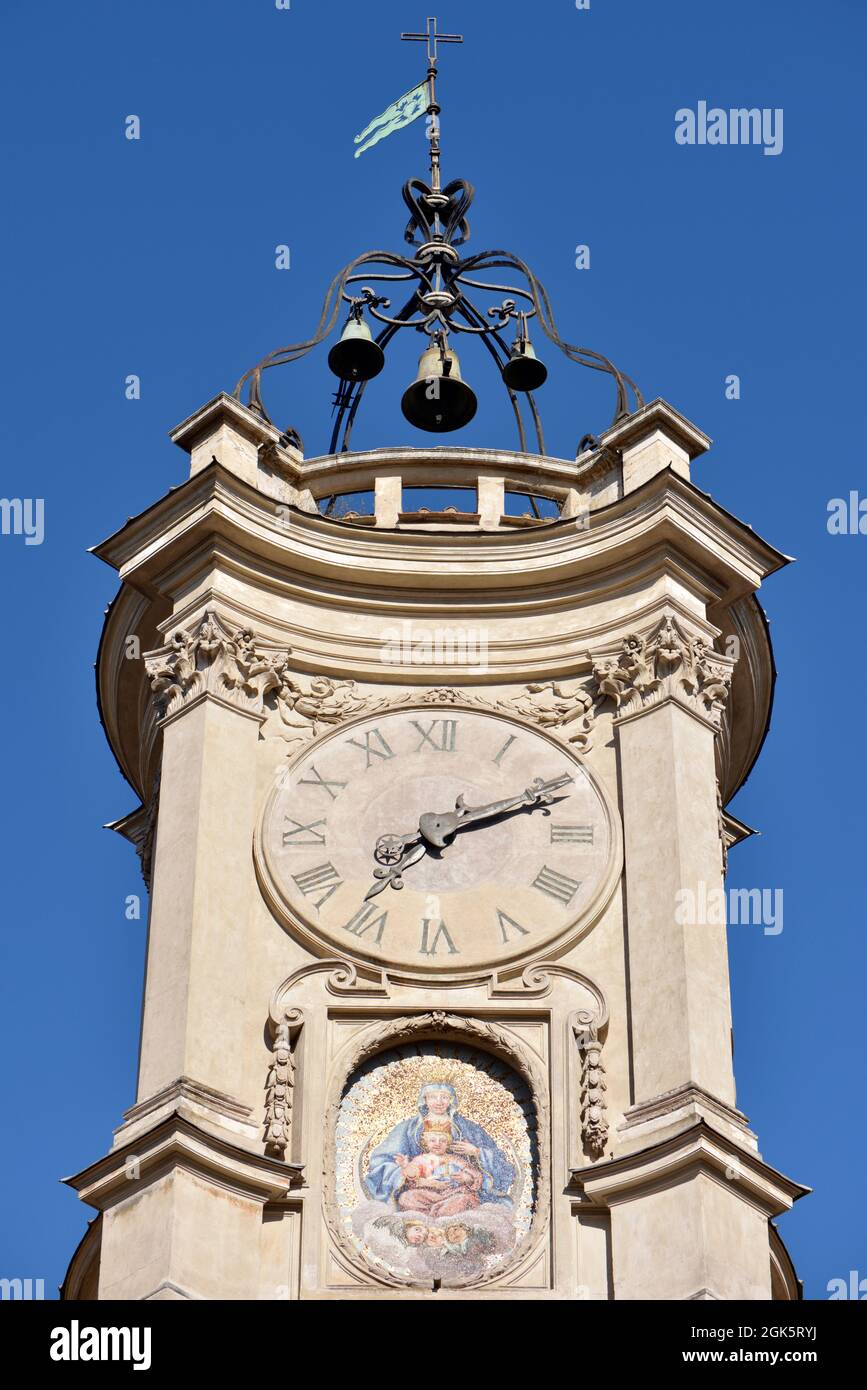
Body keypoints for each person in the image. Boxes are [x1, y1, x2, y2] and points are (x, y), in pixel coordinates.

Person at [365, 1081, 516, 1208]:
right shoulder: (409, 1128)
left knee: (462, 1201)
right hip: (423, 1187)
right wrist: (405, 1169)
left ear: (451, 1100)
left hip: (457, 1189)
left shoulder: (467, 1127)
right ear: (424, 1100)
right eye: (433, 1097)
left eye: (444, 1097)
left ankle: (441, 1211)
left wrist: (477, 1152)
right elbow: (382, 1160)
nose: (439, 1102)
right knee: (407, 1198)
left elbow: (498, 1160)